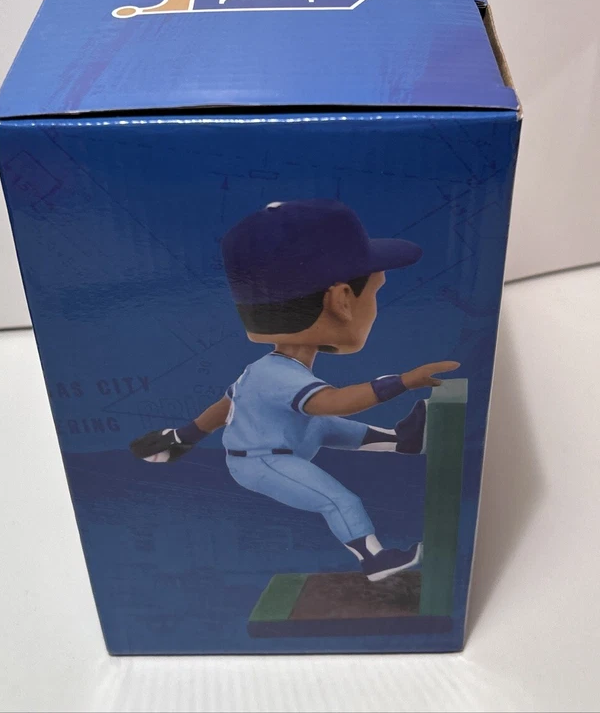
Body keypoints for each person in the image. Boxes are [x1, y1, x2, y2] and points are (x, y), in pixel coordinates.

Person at [130, 199, 459, 582]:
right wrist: (403, 381)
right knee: (339, 499)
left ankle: (402, 441)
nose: (375, 305)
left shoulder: (266, 369)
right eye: (374, 292)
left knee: (322, 425)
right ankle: (375, 560)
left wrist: (183, 436)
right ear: (342, 301)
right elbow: (332, 402)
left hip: (288, 435)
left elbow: (228, 406)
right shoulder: (278, 376)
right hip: (262, 460)